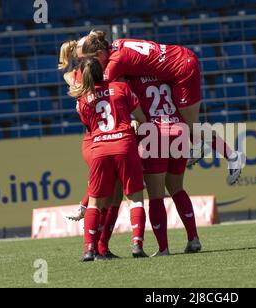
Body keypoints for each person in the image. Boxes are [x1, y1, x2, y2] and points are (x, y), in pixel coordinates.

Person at [77, 31, 245, 185]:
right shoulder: (117, 43)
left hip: (182, 69)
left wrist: (77, 92)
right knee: (190, 123)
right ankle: (201, 146)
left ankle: (232, 156)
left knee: (192, 124)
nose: (87, 65)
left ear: (100, 53)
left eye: (87, 60)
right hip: (181, 57)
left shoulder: (115, 62)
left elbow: (102, 89)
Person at [71, 56, 148, 261]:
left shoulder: (83, 99)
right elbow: (141, 118)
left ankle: (89, 250)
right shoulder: (121, 87)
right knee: (135, 199)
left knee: (95, 204)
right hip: (124, 145)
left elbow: (89, 126)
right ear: (103, 70)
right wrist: (132, 122)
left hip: (99, 150)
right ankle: (137, 245)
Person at [59, 42, 122, 259]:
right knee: (111, 196)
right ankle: (99, 247)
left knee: (103, 193)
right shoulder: (108, 81)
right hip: (105, 139)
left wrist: (68, 62)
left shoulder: (78, 82)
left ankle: (94, 247)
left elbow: (68, 77)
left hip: (92, 141)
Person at [128, 76, 201, 256]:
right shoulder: (168, 75)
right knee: (177, 188)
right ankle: (193, 238)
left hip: (155, 132)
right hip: (178, 130)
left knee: (156, 196)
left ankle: (163, 248)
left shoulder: (133, 78)